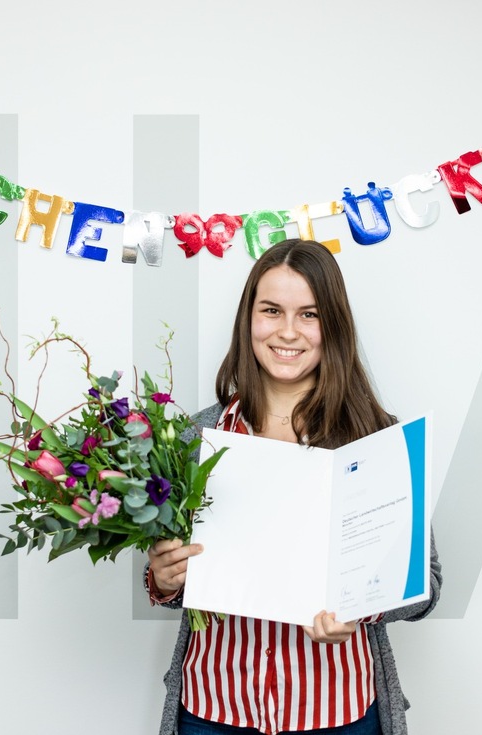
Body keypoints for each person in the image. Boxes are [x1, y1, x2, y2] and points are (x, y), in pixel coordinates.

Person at [146, 238, 442, 735]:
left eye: (309, 314)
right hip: (214, 708)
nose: (288, 331)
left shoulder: (376, 437)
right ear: (249, 320)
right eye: (271, 311)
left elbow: (425, 587)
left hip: (335, 713)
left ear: (335, 326)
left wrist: (361, 608)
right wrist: (164, 578)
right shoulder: (198, 436)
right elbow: (174, 582)